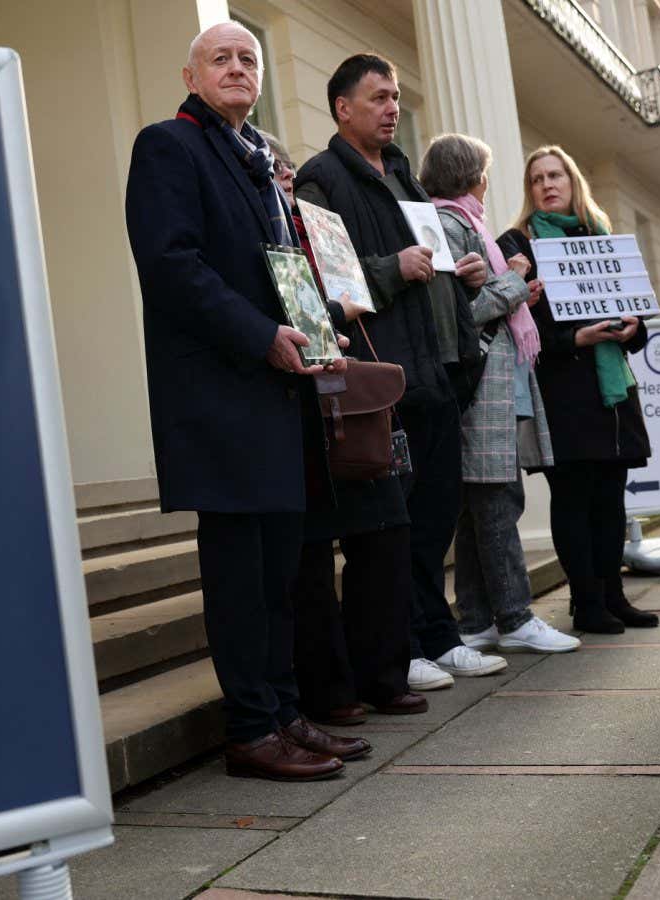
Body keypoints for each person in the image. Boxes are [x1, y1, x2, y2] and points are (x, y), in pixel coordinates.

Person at [125, 21, 368, 781]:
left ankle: (287, 712)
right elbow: (171, 264)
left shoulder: (259, 158)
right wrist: (261, 333)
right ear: (191, 76)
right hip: (221, 394)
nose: (238, 68)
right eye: (221, 58)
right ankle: (251, 729)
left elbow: (278, 265)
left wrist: (315, 323)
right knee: (240, 575)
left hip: (279, 389)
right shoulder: (169, 145)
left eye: (248, 60)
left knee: (284, 571)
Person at [294, 54, 508, 690]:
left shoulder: (406, 176)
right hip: (383, 380)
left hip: (438, 373)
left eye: (394, 98)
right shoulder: (321, 179)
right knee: (388, 527)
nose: (392, 108)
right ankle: (399, 645)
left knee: (434, 517)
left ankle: (437, 637)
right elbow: (322, 277)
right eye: (379, 98)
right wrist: (393, 269)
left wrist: (462, 276)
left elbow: (429, 265)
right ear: (343, 108)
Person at [261, 129, 427, 723]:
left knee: (386, 531)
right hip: (292, 405)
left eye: (283, 173)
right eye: (272, 175)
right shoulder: (258, 237)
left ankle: (383, 674)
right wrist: (337, 311)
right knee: (309, 559)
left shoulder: (319, 230)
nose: (281, 183)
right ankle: (331, 692)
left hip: (351, 398)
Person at [419, 134, 580, 653]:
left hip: (494, 386)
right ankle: (515, 618)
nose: (487, 184)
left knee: (480, 506)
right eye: (484, 173)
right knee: (497, 503)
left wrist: (515, 295)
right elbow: (459, 318)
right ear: (473, 177)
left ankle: (476, 619)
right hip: (482, 390)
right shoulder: (449, 223)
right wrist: (513, 282)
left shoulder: (464, 222)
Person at [498, 146, 657, 633]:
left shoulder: (602, 237)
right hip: (560, 391)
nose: (547, 185)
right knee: (573, 497)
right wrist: (575, 339)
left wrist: (633, 329)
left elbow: (639, 320)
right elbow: (518, 331)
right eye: (537, 179)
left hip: (612, 393)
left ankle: (614, 595)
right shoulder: (516, 245)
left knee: (611, 497)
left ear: (573, 182)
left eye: (555, 175)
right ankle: (587, 604)